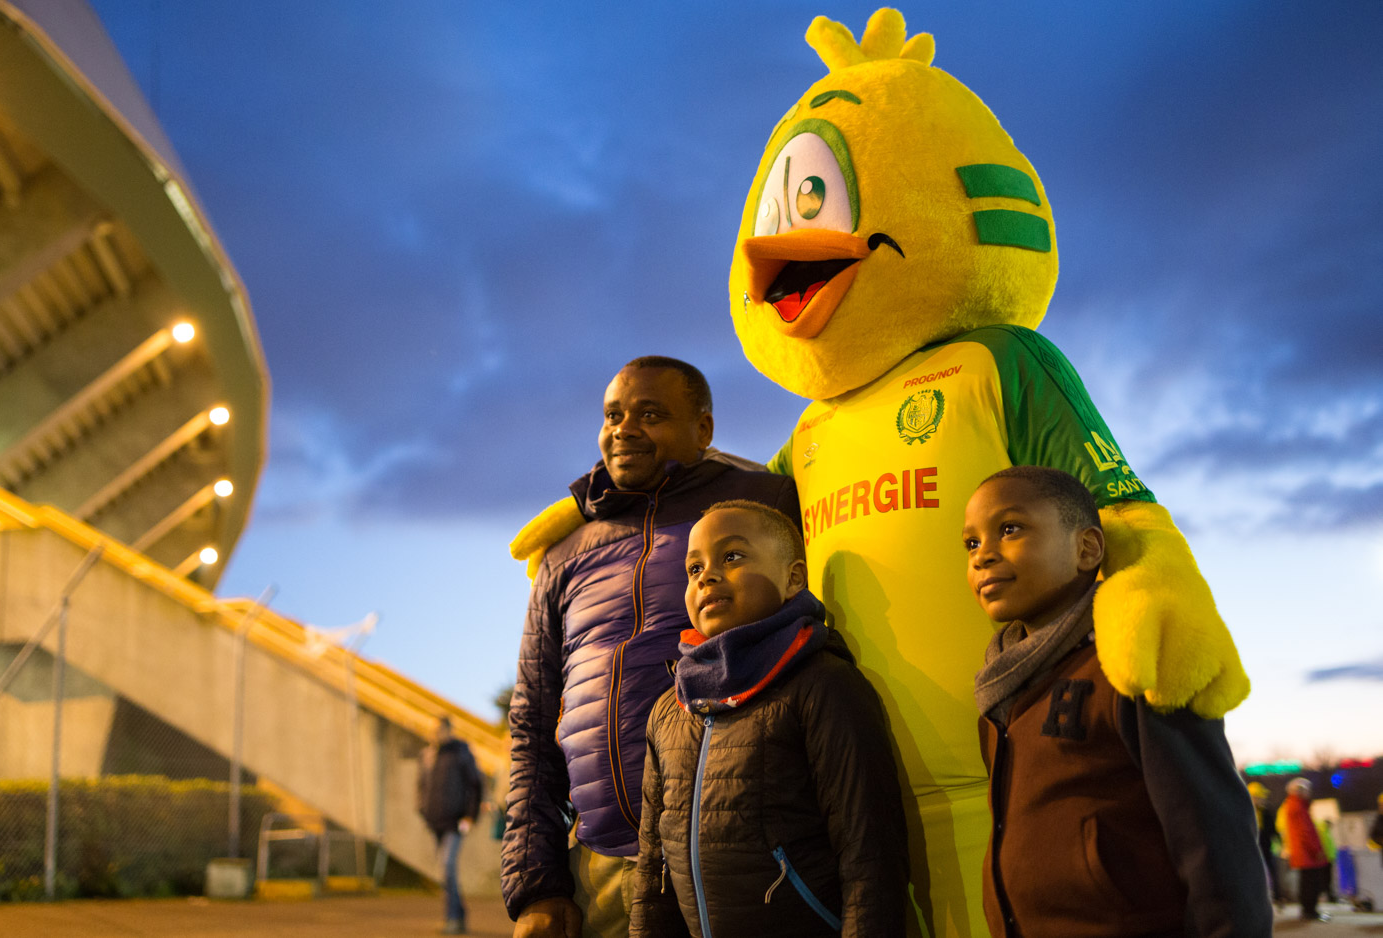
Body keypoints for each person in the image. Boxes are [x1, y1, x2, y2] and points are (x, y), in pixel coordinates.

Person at [502, 357, 801, 938]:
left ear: (704, 431)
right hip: (602, 864)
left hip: (739, 855)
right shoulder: (564, 553)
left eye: (651, 414)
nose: (624, 429)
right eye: (613, 414)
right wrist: (537, 882)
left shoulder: (762, 509)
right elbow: (532, 722)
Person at [963, 466, 1270, 937]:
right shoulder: (1000, 686)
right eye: (971, 543)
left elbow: (1217, 845)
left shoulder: (1134, 661)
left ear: (1086, 548)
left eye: (1009, 529)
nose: (983, 555)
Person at [629, 501, 909, 938]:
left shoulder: (824, 684)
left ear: (793, 577)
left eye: (732, 557)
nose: (707, 575)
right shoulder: (669, 709)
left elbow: (870, 856)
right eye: (693, 567)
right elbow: (651, 871)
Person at [419, 716, 483, 935]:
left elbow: (475, 784)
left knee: (447, 866)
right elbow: (422, 785)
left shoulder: (461, 752)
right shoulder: (428, 754)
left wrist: (470, 816)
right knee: (444, 873)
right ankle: (460, 914)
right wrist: (422, 810)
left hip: (455, 823)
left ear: (448, 730)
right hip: (434, 821)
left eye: (438, 729)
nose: (434, 733)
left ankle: (454, 918)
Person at [1281, 777, 1329, 921]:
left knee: (1307, 881)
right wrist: (1316, 850)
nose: (1310, 793)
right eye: (1307, 790)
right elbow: (1305, 831)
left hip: (1303, 851)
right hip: (1307, 852)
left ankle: (1308, 910)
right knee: (1310, 882)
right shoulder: (1298, 806)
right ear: (1300, 792)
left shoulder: (1294, 805)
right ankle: (1310, 911)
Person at [1250, 781, 1282, 904]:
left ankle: (1277, 894)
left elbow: (1272, 828)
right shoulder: (1246, 810)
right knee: (1255, 871)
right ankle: (1258, 895)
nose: (1260, 799)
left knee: (1272, 870)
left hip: (1265, 845)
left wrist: (1279, 840)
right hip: (1252, 847)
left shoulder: (1266, 811)